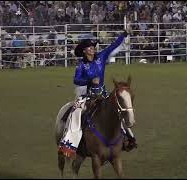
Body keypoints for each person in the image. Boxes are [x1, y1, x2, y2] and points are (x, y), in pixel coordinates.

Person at [58, 28, 137, 158]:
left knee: (118, 110)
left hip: (103, 93)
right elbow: (76, 79)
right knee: (76, 113)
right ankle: (69, 144)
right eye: (89, 48)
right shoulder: (81, 66)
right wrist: (89, 80)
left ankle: (130, 139)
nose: (92, 49)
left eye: (93, 47)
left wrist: (124, 34)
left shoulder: (101, 57)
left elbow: (113, 46)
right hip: (86, 95)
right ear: (84, 51)